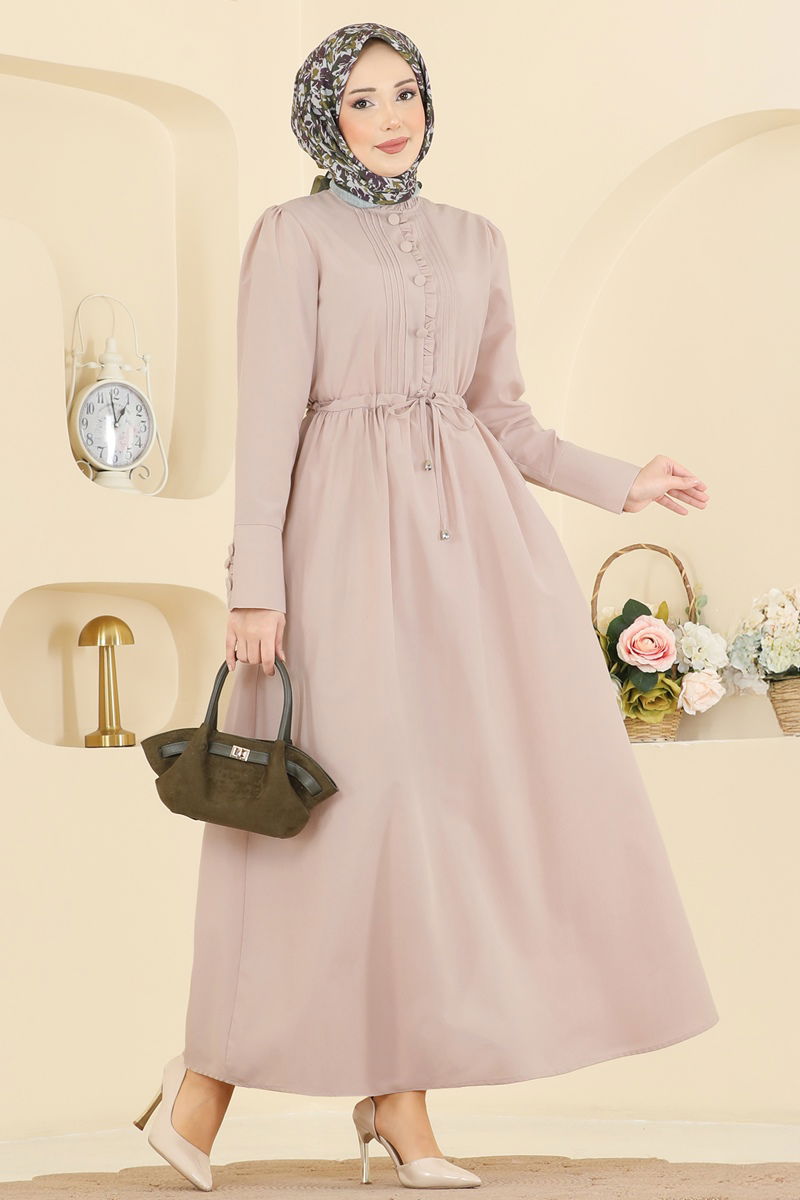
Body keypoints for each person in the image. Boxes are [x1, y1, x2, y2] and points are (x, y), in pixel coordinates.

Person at [133, 22, 718, 1192]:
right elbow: (268, 420)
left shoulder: (474, 241)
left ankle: (395, 1101)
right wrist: (255, 584)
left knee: (431, 828)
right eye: (360, 99)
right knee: (341, 821)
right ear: (323, 116)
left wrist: (622, 482)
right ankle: (206, 1088)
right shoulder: (291, 236)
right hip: (337, 557)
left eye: (403, 92)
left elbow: (505, 421)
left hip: (471, 569)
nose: (389, 116)